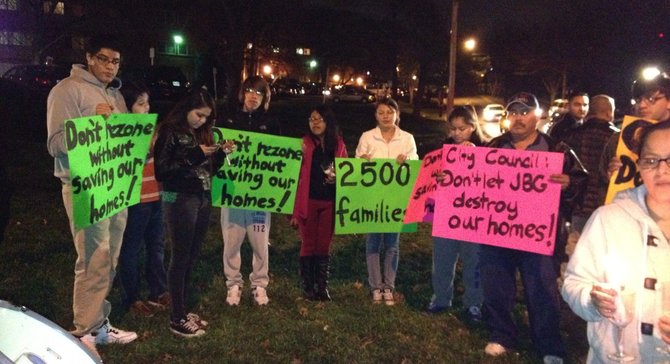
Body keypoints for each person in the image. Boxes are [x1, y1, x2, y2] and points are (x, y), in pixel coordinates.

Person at [46, 34, 138, 357]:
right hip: (85, 184)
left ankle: (98, 323)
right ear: (89, 57)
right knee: (92, 257)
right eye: (103, 59)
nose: (110, 67)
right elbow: (55, 143)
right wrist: (91, 123)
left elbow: (121, 139)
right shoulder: (66, 91)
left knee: (109, 256)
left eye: (115, 61)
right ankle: (83, 330)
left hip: (114, 183)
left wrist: (134, 125)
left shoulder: (116, 94)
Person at [480, 92, 586, 363]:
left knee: (542, 288)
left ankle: (549, 344)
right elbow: (473, 179)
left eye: (525, 112)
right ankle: (501, 333)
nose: (519, 118)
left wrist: (568, 184)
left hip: (538, 235)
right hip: (498, 232)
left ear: (538, 116)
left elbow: (580, 181)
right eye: (514, 112)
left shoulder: (557, 149)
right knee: (497, 284)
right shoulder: (494, 146)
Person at [562, 120, 670, 363]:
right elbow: (574, 283)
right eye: (651, 161)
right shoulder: (609, 219)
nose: (662, 171)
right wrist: (592, 300)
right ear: (639, 165)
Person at [154, 87, 229, 338]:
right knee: (180, 255)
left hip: (202, 197)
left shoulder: (202, 133)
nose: (202, 120)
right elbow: (162, 171)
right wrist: (195, 154)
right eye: (198, 114)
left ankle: (182, 308)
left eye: (207, 117)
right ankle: (177, 317)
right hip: (179, 198)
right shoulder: (170, 131)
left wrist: (218, 156)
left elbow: (207, 170)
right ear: (187, 108)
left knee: (192, 254)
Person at [219, 76, 281, 306]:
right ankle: (233, 282)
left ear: (265, 98)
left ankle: (259, 284)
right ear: (242, 93)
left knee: (259, 240)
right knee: (232, 240)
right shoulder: (228, 118)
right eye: (250, 91)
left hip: (260, 193)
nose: (253, 96)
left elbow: (279, 158)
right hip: (233, 190)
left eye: (259, 92)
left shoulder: (271, 122)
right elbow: (216, 150)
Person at [355, 98, 418, 306]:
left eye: (390, 112)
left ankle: (388, 286)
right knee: (373, 242)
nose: (385, 116)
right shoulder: (367, 137)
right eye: (381, 112)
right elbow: (356, 165)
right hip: (374, 197)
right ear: (376, 115)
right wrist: (361, 161)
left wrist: (407, 161)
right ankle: (375, 285)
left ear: (397, 114)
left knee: (392, 243)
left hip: (395, 198)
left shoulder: (407, 138)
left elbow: (415, 162)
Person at [426, 106, 485, 323]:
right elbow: (427, 172)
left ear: (472, 127)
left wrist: (476, 155)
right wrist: (437, 175)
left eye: (462, 128)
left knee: (473, 260)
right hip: (446, 214)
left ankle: (473, 303)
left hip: (473, 217)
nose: (457, 133)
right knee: (442, 259)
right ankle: (441, 298)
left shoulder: (487, 149)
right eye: (453, 129)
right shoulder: (443, 150)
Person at [118, 82, 170, 317]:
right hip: (136, 200)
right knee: (131, 248)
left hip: (157, 196)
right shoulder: (121, 133)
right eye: (140, 104)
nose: (146, 108)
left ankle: (158, 290)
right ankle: (132, 297)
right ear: (128, 108)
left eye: (147, 103)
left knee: (157, 245)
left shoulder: (154, 129)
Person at [290, 105, 348, 301]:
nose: (315, 122)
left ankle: (321, 287)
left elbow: (347, 171)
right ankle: (308, 286)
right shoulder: (303, 144)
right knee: (308, 244)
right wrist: (295, 212)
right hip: (308, 201)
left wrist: (338, 177)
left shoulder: (338, 145)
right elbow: (293, 176)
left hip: (330, 202)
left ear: (328, 122)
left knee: (323, 245)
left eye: (319, 119)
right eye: (311, 119)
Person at [604, 72, 670, 179]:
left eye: (651, 99)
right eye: (638, 100)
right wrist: (611, 176)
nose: (642, 105)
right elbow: (600, 186)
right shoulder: (619, 140)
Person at [568, 95, 619, 234]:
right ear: (609, 113)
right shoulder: (616, 138)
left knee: (577, 250)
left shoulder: (574, 135)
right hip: (605, 206)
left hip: (578, 206)